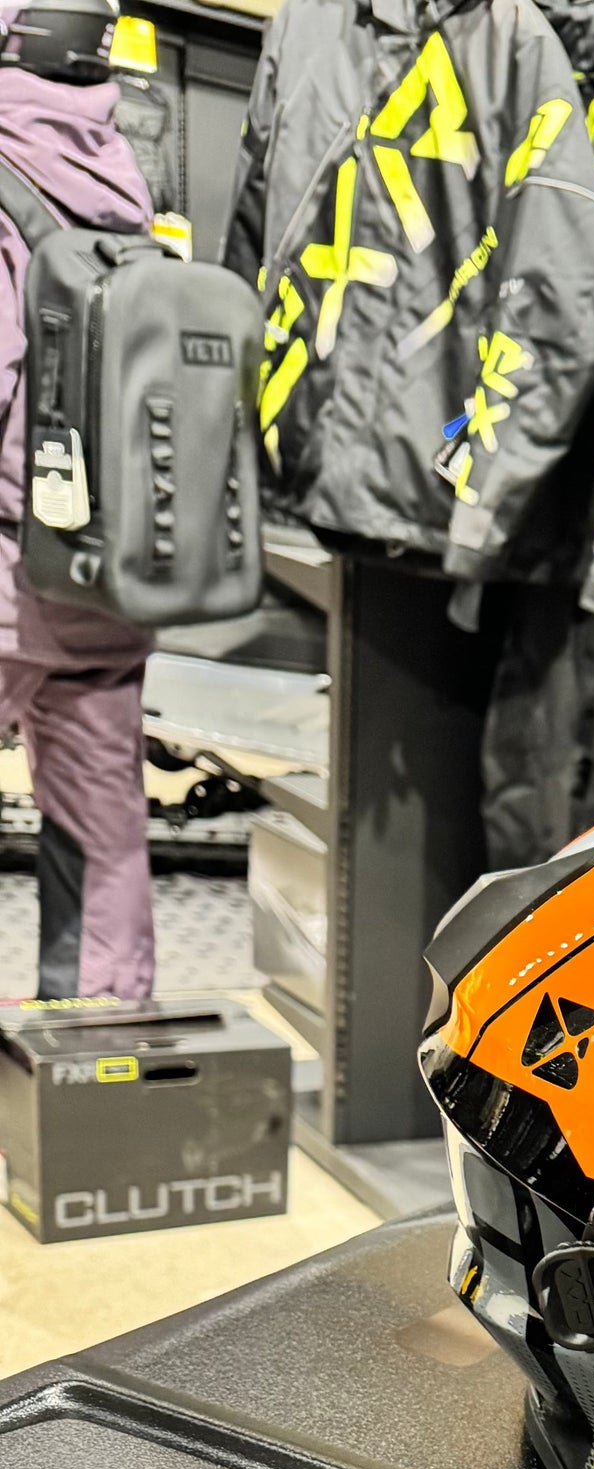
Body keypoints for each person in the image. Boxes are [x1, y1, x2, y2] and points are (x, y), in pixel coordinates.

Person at [0, 0, 154, 1002]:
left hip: (10, 567)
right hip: (112, 567)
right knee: (103, 827)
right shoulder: (121, 178)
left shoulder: (3, 173)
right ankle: (102, 1034)